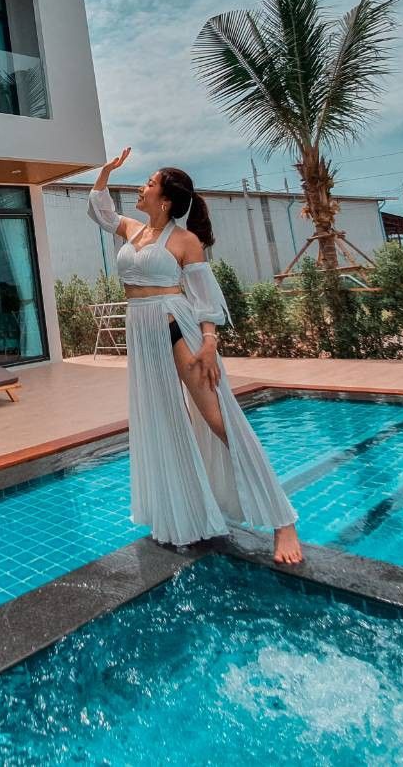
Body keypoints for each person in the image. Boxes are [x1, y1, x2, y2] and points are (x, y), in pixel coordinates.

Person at [89, 147, 303, 565]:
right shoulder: (132, 229)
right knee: (164, 419)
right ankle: (187, 512)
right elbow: (100, 211)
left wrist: (209, 342)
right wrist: (104, 173)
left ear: (166, 200)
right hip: (142, 332)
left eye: (149, 183)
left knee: (219, 420)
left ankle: (283, 519)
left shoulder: (185, 241)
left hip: (177, 329)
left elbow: (205, 300)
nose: (141, 187)